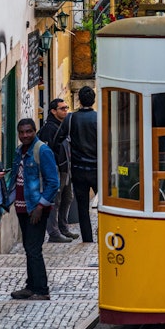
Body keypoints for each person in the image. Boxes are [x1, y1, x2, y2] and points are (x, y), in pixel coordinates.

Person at [7, 119, 60, 300]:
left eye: (28, 131)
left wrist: (40, 206)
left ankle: (42, 290)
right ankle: (31, 286)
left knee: (33, 248)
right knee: (29, 248)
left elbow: (53, 183)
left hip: (36, 209)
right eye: (21, 132)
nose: (25, 135)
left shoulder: (42, 151)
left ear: (35, 131)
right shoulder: (19, 151)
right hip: (23, 208)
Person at [38, 98, 78, 242]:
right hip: (55, 170)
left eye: (66, 108)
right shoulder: (49, 128)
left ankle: (63, 228)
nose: (65, 111)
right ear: (53, 111)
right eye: (62, 108)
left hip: (65, 169)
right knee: (55, 201)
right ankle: (54, 233)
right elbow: (46, 151)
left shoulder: (64, 125)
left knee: (67, 198)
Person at [69, 86, 99, 243]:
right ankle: (104, 232)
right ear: (94, 100)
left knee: (82, 207)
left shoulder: (71, 118)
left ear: (79, 100)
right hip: (97, 169)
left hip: (78, 170)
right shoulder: (99, 118)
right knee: (104, 206)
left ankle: (87, 238)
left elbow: (59, 138)